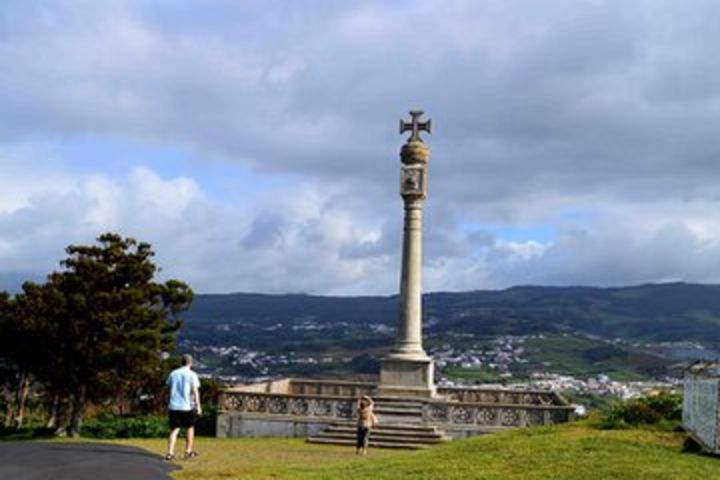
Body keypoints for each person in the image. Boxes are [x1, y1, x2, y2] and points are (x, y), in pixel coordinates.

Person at [165, 354, 202, 461]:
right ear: (190, 363)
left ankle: (170, 452)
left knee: (174, 429)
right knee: (190, 428)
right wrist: (198, 406)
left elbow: (169, 387)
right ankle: (188, 451)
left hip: (174, 405)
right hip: (187, 406)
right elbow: (195, 391)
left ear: (181, 362)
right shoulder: (192, 374)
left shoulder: (173, 373)